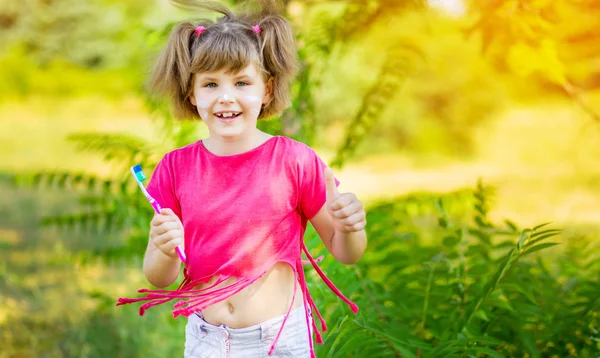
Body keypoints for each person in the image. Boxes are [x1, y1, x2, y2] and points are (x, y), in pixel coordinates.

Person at [117, 1, 367, 357]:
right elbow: (159, 277)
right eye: (210, 84)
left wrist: (351, 227)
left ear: (266, 90)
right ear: (192, 93)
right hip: (207, 341)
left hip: (280, 341)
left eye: (242, 82)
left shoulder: (294, 160)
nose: (226, 97)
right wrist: (162, 247)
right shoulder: (175, 167)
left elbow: (346, 252)